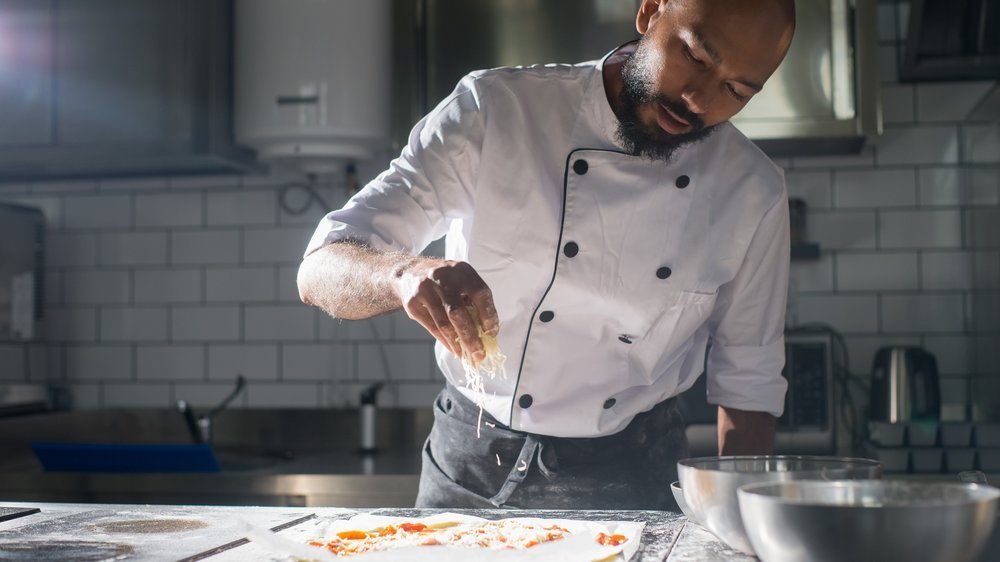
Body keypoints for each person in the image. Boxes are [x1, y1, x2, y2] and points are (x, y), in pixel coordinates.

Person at [298, 0, 796, 510]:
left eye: (736, 91)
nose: (698, 98)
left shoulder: (751, 191)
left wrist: (741, 525)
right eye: (694, 56)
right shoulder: (496, 110)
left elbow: (749, 375)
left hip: (633, 473)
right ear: (649, 12)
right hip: (468, 461)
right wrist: (404, 275)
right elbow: (321, 267)